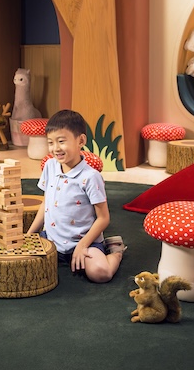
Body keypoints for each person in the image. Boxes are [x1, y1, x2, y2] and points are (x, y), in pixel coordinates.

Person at [25, 109, 126, 283]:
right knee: (23, 265)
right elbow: (46, 203)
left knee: (101, 273)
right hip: (51, 240)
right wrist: (30, 234)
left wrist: (82, 245)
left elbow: (103, 218)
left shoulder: (91, 177)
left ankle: (115, 251)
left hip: (84, 241)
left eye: (61, 141)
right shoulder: (50, 166)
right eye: (50, 142)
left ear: (81, 141)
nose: (56, 148)